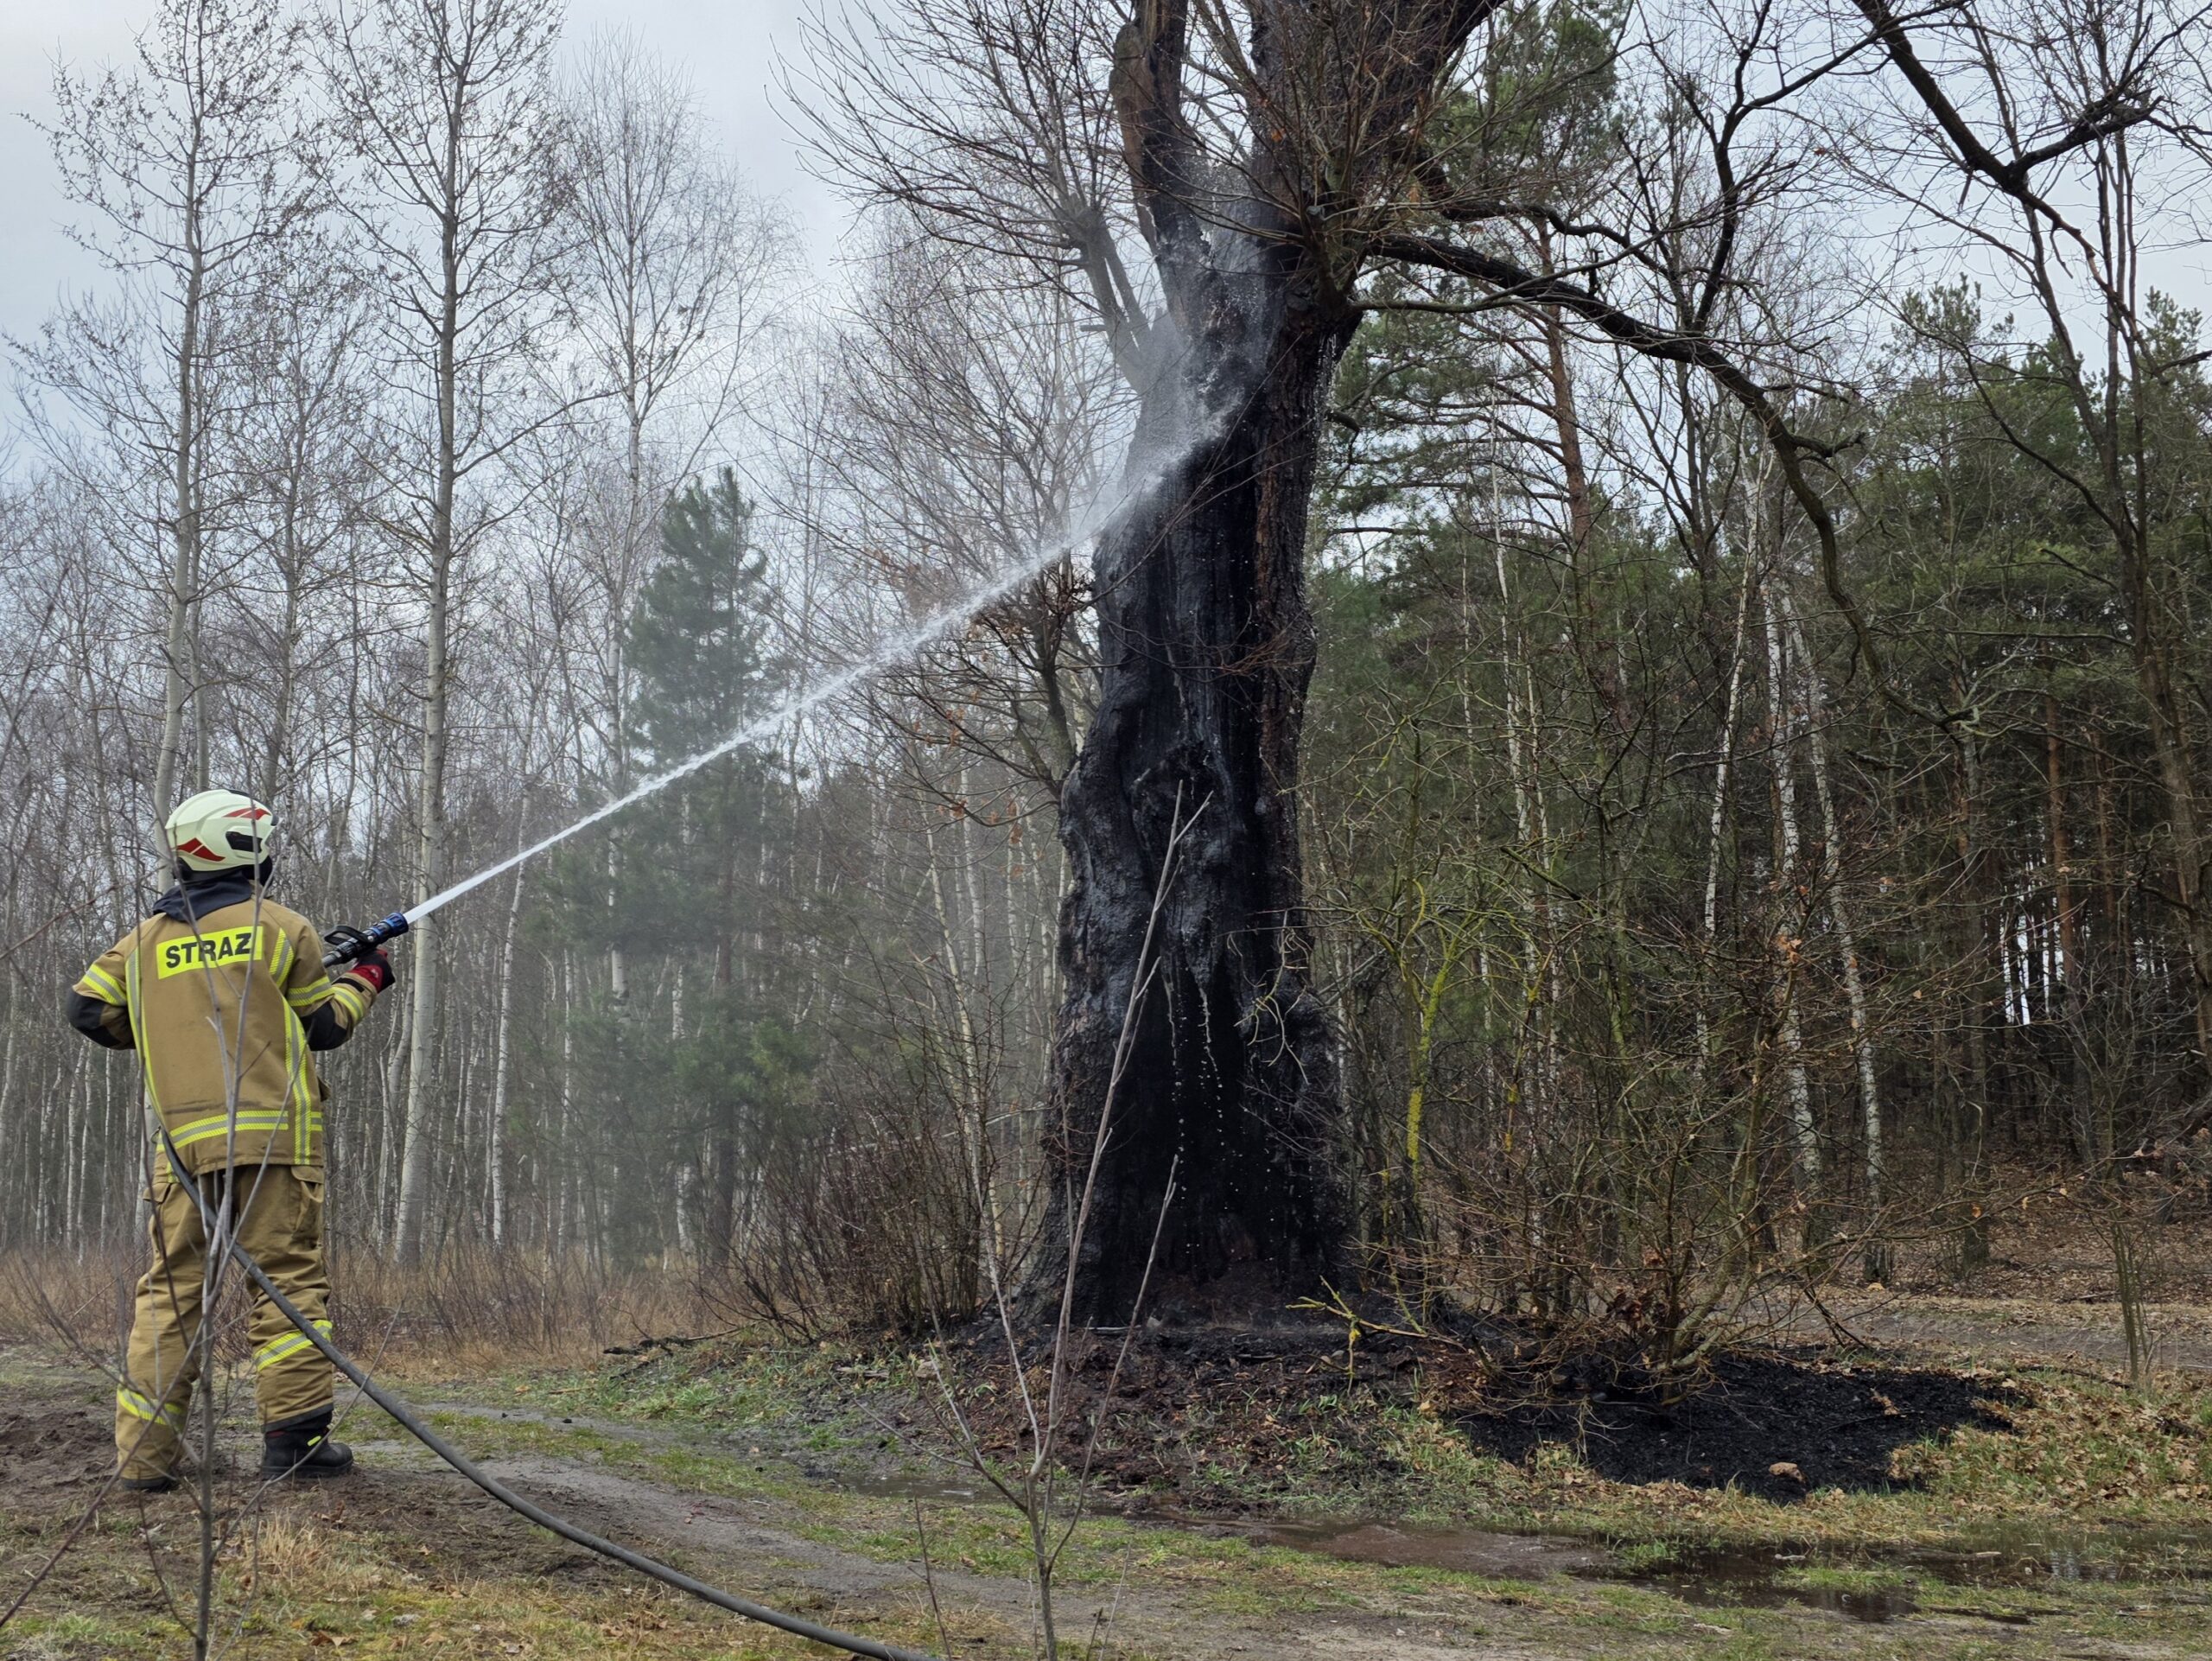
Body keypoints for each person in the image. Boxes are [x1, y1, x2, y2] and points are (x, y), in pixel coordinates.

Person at [67, 789, 393, 1491]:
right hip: (275, 1143)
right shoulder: (282, 927)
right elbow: (324, 1027)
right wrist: (366, 977)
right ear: (247, 851)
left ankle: (144, 1462)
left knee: (171, 1295)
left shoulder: (144, 942)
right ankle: (295, 1450)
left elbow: (87, 1009)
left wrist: (158, 1026)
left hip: (183, 1153)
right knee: (285, 1288)